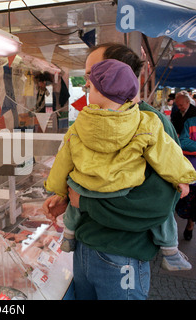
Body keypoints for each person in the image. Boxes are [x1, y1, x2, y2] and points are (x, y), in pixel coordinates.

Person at [42, 43, 185, 300]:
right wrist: (64, 197)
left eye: (92, 76)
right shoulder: (92, 119)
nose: (87, 84)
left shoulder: (151, 123)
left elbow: (158, 204)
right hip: (85, 248)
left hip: (122, 254)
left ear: (121, 73)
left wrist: (83, 201)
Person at [177, 117, 196, 241]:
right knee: (188, 204)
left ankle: (190, 224)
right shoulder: (191, 122)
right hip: (192, 174)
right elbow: (183, 142)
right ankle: (190, 224)